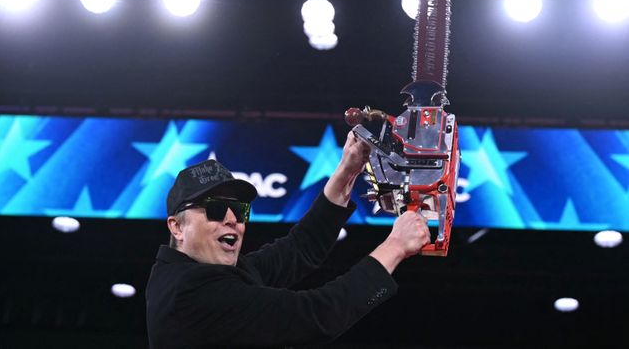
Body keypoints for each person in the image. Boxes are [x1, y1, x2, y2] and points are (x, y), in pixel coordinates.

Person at [146, 132, 431, 348]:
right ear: (177, 227)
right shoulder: (191, 293)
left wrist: (347, 170)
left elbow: (299, 248)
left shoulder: (210, 274)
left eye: (241, 210)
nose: (232, 219)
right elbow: (317, 314)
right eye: (216, 209)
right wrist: (395, 246)